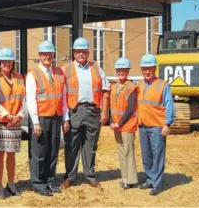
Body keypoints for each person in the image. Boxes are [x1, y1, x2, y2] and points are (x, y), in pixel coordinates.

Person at [61, 37, 110, 189]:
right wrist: (65, 118)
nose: (81, 54)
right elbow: (61, 94)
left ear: (88, 53)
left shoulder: (96, 68)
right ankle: (70, 177)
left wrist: (104, 112)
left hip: (92, 111)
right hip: (74, 110)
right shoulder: (66, 69)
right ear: (73, 53)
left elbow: (106, 90)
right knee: (71, 145)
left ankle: (90, 175)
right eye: (78, 51)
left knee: (90, 145)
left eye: (84, 51)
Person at [26, 40, 68, 196]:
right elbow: (30, 100)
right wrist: (35, 122)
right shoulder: (33, 74)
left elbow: (63, 97)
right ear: (39, 56)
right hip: (41, 118)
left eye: (50, 54)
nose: (47, 57)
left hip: (55, 117)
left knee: (53, 151)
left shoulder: (59, 73)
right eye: (44, 54)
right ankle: (38, 182)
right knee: (39, 152)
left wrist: (65, 118)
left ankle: (49, 181)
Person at [0, 48, 25, 198]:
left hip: (15, 122)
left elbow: (24, 100)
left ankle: (11, 182)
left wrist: (19, 116)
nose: (6, 64)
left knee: (11, 154)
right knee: (0, 154)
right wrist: (8, 116)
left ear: (12, 62)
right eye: (3, 61)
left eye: (8, 61)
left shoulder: (19, 78)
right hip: (0, 122)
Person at [137, 54, 175, 196]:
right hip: (143, 125)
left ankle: (157, 184)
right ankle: (150, 179)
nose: (147, 72)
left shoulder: (162, 85)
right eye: (145, 69)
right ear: (141, 69)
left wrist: (167, 124)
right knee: (146, 155)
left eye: (150, 69)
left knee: (158, 155)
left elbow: (169, 105)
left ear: (155, 68)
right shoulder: (140, 85)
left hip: (157, 126)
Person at [109, 57, 138, 189]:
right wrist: (111, 121)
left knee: (128, 151)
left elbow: (130, 108)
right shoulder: (114, 86)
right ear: (116, 71)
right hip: (117, 125)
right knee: (121, 151)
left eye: (124, 70)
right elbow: (112, 106)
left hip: (127, 125)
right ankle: (125, 178)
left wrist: (119, 123)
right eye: (119, 70)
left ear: (128, 71)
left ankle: (131, 179)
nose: (121, 73)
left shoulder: (131, 87)